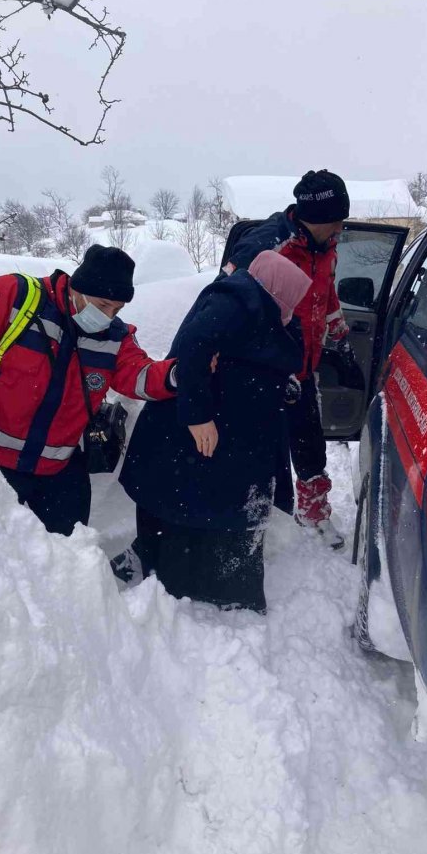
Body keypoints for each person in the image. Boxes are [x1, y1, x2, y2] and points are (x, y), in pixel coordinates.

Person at [0, 245, 178, 536]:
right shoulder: (17, 296)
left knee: (69, 554)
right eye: (102, 305)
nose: (108, 316)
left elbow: (139, 375)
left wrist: (180, 374)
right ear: (77, 288)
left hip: (56, 469)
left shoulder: (114, 338)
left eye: (117, 310)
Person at [117, 250, 311, 613]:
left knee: (218, 505)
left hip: (233, 432)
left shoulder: (260, 305)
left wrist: (279, 381)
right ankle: (193, 583)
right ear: (277, 289)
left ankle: (215, 584)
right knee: (191, 505)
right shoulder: (235, 301)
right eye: (291, 298)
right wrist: (198, 417)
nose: (293, 308)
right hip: (195, 432)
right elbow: (194, 347)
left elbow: (250, 356)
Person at [220, 169, 360, 549]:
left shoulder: (327, 247)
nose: (341, 229)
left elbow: (327, 295)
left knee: (310, 446)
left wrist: (340, 340)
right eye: (337, 221)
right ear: (317, 217)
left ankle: (314, 513)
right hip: (264, 373)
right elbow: (225, 303)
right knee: (261, 451)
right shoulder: (266, 247)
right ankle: (257, 521)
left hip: (304, 371)